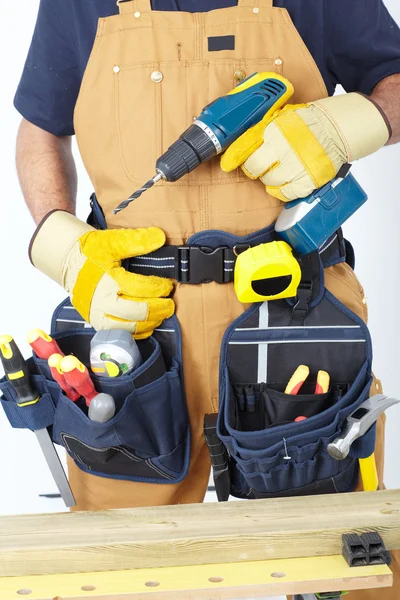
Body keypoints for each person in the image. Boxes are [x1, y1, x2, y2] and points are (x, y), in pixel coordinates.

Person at [14, 0, 400, 597]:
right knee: (116, 564)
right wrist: (61, 245)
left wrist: (354, 122)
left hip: (294, 306)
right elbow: (40, 127)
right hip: (137, 322)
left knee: (344, 557)